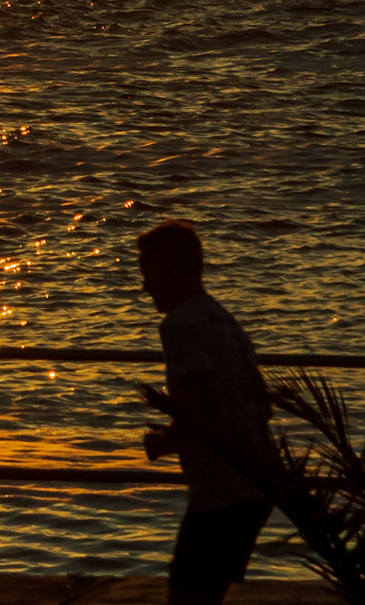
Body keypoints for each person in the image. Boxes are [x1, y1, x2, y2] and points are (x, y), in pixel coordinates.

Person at [138, 220, 274, 605]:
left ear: (173, 273)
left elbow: (204, 409)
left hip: (222, 492)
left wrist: (163, 441)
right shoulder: (222, 319)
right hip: (257, 483)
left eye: (149, 276)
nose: (145, 288)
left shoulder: (179, 326)